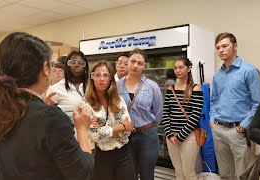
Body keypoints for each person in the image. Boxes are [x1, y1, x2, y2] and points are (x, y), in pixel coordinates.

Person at [0, 32, 94, 179]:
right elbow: (83, 173)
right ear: (45, 68)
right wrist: (82, 129)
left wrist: (41, 110)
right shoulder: (50, 118)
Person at [209, 32, 260, 179]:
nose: (221, 50)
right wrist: (211, 120)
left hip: (238, 131)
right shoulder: (217, 75)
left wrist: (243, 126)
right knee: (225, 174)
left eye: (225, 46)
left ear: (235, 46)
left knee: (243, 175)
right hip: (218, 129)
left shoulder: (249, 71)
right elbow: (214, 100)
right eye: (218, 47)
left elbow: (259, 103)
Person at [82, 60, 136, 180]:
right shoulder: (85, 104)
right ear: (92, 78)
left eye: (105, 75)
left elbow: (128, 130)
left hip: (123, 153)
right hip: (101, 156)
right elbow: (95, 135)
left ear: (111, 78)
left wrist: (105, 130)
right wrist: (121, 127)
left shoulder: (119, 101)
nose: (102, 79)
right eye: (98, 75)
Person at [117, 48, 163, 180]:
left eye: (140, 63)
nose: (135, 65)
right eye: (133, 61)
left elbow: (158, 112)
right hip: (125, 136)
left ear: (144, 66)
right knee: (128, 174)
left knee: (147, 175)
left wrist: (147, 127)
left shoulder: (152, 86)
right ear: (128, 62)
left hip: (147, 136)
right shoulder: (116, 86)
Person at [162, 57, 203, 180]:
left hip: (188, 136)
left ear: (189, 68)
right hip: (171, 137)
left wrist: (180, 136)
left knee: (189, 173)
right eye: (175, 68)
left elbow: (196, 115)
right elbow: (166, 113)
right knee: (178, 172)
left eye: (181, 67)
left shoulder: (195, 88)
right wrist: (169, 134)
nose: (177, 70)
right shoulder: (171, 89)